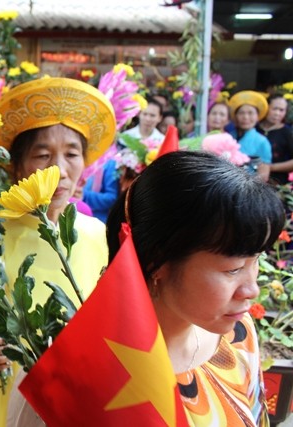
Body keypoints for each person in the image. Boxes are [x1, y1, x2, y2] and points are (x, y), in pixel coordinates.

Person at [0, 77, 116, 427]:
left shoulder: (98, 236)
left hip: (75, 391)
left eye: (71, 154)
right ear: (16, 167)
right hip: (7, 389)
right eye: (43, 155)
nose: (58, 169)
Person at [106, 151, 284, 426]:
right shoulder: (94, 370)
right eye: (233, 269)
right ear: (157, 261)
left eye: (256, 260)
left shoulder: (239, 333)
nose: (252, 290)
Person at [228, 90, 272, 181]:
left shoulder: (262, 142)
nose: (246, 117)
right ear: (235, 116)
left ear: (257, 117)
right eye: (241, 113)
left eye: (250, 113)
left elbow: (264, 175)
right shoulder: (228, 137)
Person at [257, 93, 293, 185]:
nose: (277, 113)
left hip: (277, 184)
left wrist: (271, 167)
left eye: (281, 110)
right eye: (274, 109)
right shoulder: (254, 128)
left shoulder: (287, 133)